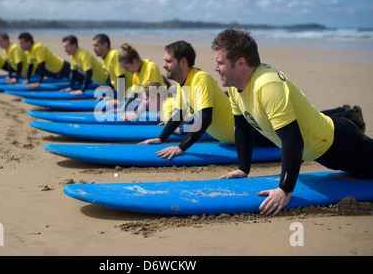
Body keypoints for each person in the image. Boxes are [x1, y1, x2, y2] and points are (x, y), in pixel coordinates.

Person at [212, 29, 373, 216]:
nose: (216, 68)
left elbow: (293, 141)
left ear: (241, 63)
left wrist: (284, 189)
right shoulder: (235, 86)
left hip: (340, 143)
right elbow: (242, 128)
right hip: (321, 152)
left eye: (220, 63)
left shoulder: (267, 86)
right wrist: (243, 169)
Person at [139, 40, 239, 157]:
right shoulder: (182, 83)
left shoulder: (200, 78)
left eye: (168, 61)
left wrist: (181, 147)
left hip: (248, 134)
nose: (164, 65)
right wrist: (160, 139)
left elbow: (205, 118)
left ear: (183, 62)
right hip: (230, 141)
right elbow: (179, 115)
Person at [117, 43, 168, 112]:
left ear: (134, 61)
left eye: (126, 67)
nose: (126, 71)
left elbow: (151, 96)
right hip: (152, 104)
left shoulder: (150, 67)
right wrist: (123, 109)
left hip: (163, 103)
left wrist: (136, 114)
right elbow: (133, 92)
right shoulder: (136, 72)